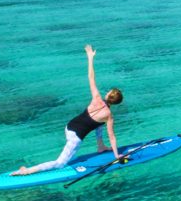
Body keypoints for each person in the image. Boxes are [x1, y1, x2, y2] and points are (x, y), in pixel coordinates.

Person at [12, 45, 122, 175]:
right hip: (75, 137)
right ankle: (27, 171)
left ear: (108, 96)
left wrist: (90, 57)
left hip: (69, 126)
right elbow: (112, 137)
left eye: (109, 92)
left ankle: (101, 146)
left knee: (99, 124)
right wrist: (116, 155)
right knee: (60, 164)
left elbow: (91, 77)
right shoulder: (109, 116)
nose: (107, 91)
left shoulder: (96, 99)